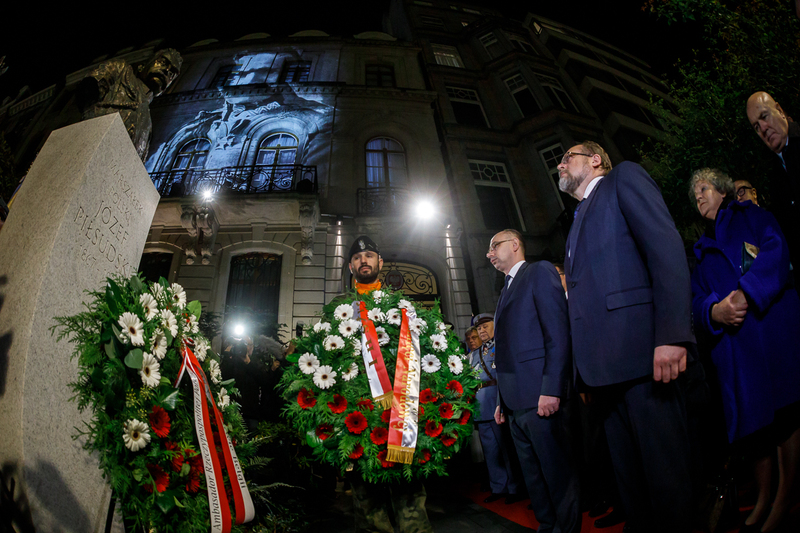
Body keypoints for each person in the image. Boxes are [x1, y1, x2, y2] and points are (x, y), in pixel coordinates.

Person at [559, 141, 694, 533]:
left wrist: (671, 334)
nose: (560, 165)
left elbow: (665, 249)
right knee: (632, 485)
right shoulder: (578, 217)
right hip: (604, 374)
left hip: (644, 358)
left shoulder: (624, 179)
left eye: (568, 157)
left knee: (666, 480)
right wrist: (583, 373)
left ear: (596, 159)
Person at [690, 168, 800, 533]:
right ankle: (765, 497)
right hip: (736, 349)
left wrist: (747, 290)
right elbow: (696, 299)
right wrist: (714, 311)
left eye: (703, 188)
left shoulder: (752, 216)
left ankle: (784, 499)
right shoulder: (701, 250)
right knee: (755, 430)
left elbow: (776, 252)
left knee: (784, 416)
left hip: (771, 333)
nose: (699, 197)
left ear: (722, 190)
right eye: (694, 194)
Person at [487, 229, 580, 533]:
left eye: (494, 246)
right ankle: (547, 526)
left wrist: (552, 388)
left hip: (541, 396)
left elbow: (557, 333)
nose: (489, 254)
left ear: (515, 244)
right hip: (514, 402)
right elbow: (506, 352)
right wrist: (501, 401)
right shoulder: (505, 290)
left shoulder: (538, 271)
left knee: (557, 473)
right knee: (534, 477)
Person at [342, 235, 433, 533]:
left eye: (369, 255)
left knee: (409, 495)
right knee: (367, 500)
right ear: (350, 266)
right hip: (359, 413)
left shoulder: (403, 306)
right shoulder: (339, 309)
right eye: (357, 257)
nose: (363, 260)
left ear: (380, 262)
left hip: (402, 410)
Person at [78, 48, 182, 160]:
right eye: (162, 62)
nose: (166, 70)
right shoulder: (120, 69)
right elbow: (87, 91)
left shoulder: (148, 126)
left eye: (172, 74)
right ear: (142, 66)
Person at [745, 92, 800, 287]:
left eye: (764, 117)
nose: (763, 129)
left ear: (780, 110)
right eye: (756, 127)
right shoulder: (772, 174)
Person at [469, 312, 524, 504]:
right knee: (490, 450)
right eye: (479, 328)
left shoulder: (501, 347)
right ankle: (498, 486)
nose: (481, 331)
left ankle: (515, 487)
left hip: (498, 402)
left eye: (485, 326)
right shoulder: (474, 354)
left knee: (506, 449)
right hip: (481, 407)